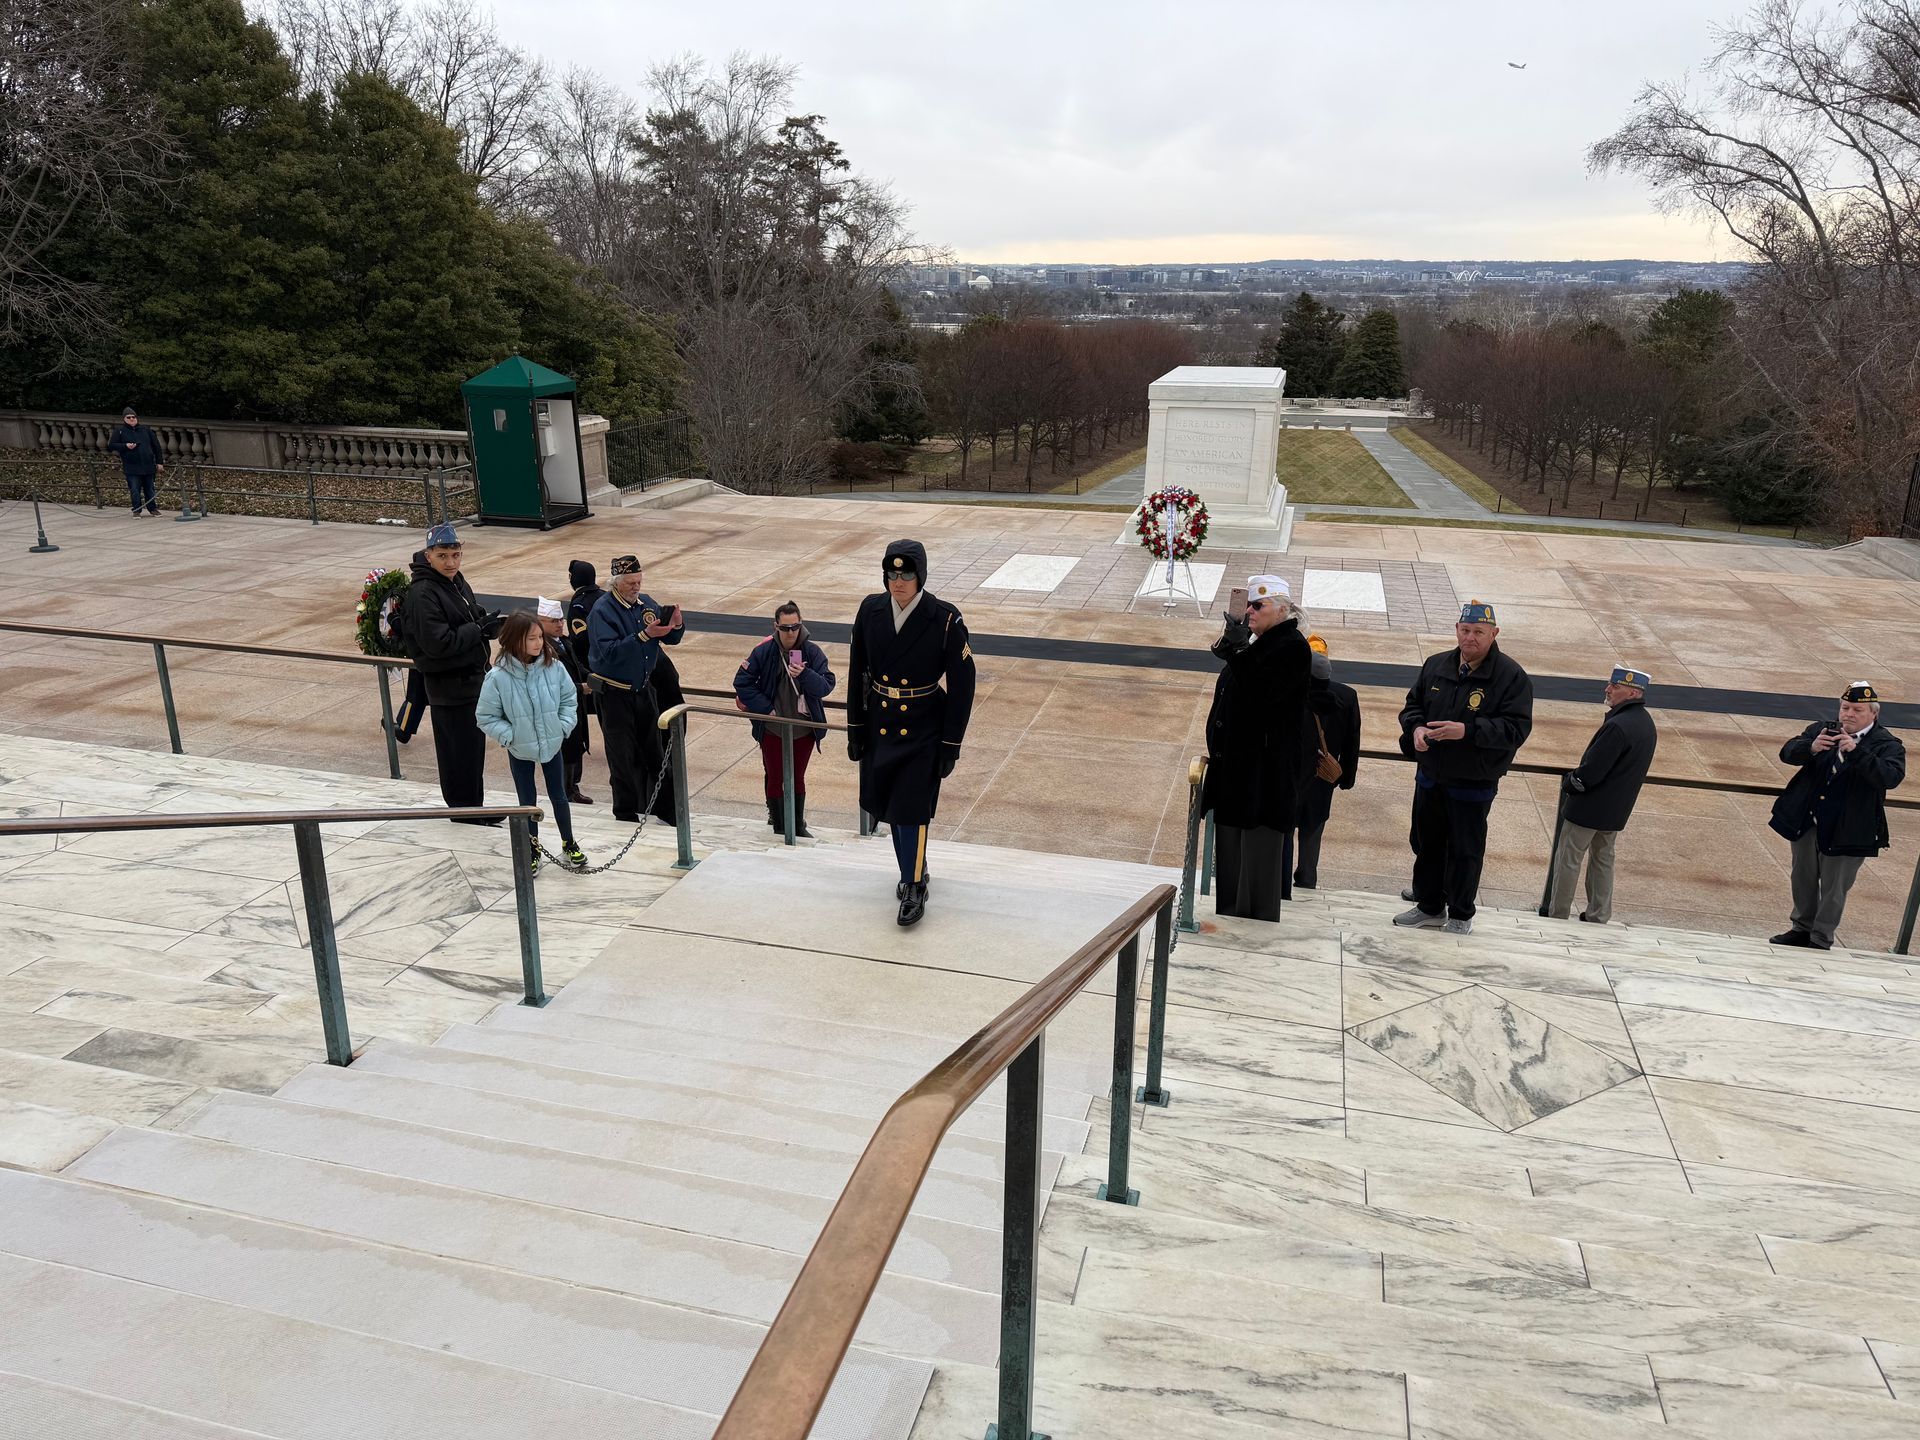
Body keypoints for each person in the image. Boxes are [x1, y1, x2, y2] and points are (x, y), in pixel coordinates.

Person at [847, 539, 976, 926]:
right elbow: (858, 671)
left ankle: (914, 884)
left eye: (906, 575)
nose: (898, 582)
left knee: (912, 807)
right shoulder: (870, 610)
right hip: (881, 723)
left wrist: (951, 744)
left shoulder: (945, 619)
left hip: (923, 727)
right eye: (892, 574)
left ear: (921, 577)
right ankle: (913, 869)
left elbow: (963, 685)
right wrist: (855, 728)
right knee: (891, 805)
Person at [1394, 599, 1533, 935]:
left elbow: (1516, 729)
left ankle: (1460, 913)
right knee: (1428, 845)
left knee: (1465, 851)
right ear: (1457, 630)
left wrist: (1467, 731)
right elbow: (1412, 706)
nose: (1471, 638)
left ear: (1494, 634)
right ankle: (1429, 907)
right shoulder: (1436, 665)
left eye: (1479, 632)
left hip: (1473, 782)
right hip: (1431, 776)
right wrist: (1416, 728)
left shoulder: (1511, 676)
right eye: (1466, 630)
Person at [1199, 576, 1314, 921]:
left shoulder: (1292, 647)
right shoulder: (1259, 642)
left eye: (1258, 605)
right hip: (1237, 774)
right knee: (1231, 862)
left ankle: (1253, 927)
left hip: (1262, 780)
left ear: (1281, 610)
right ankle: (1231, 916)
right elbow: (1232, 668)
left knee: (1256, 868)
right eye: (1248, 604)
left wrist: (1240, 651)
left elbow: (1263, 694)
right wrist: (1232, 641)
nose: (1250, 611)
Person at [1768, 682, 1906, 950]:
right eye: (1845, 708)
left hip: (1849, 828)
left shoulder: (1887, 744)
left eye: (1857, 710)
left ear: (1874, 713)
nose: (1848, 714)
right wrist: (1811, 747)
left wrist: (1856, 752)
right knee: (1803, 877)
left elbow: (1890, 777)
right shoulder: (1822, 729)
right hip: (1808, 822)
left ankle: (1821, 937)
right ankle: (1801, 929)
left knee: (1835, 886)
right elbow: (1787, 752)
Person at [400, 523, 502, 822]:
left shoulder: (455, 581)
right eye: (443, 556)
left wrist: (485, 624)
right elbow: (438, 643)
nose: (450, 562)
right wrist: (477, 630)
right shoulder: (423, 593)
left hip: (471, 682)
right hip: (450, 688)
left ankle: (474, 808)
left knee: (472, 752)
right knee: (457, 754)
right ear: (428, 555)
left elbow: (469, 614)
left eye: (455, 555)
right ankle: (464, 811)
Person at [1546, 665, 1659, 924]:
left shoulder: (1618, 725)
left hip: (1588, 808)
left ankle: (1557, 914)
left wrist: (1571, 783)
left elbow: (1592, 771)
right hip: (1616, 809)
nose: (1607, 689)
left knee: (1568, 860)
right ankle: (1599, 914)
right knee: (1603, 860)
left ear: (1633, 693)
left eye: (1615, 686)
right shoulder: (1646, 723)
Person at [477, 612, 587, 875]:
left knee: (559, 796)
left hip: (552, 743)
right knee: (526, 800)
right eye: (532, 638)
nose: (539, 643)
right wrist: (510, 736)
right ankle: (532, 847)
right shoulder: (498, 677)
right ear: (516, 640)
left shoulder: (553, 667)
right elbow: (486, 716)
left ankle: (569, 841)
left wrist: (562, 726)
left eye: (540, 637)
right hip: (520, 749)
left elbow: (568, 699)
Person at [587, 554, 683, 824]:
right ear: (616, 583)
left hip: (643, 690)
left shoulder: (646, 604)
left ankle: (667, 809)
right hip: (614, 694)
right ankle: (625, 812)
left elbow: (669, 637)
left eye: (639, 581)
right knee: (622, 757)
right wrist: (643, 635)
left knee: (656, 753)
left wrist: (676, 625)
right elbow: (608, 653)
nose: (636, 587)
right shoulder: (602, 611)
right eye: (630, 583)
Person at [734, 601, 837, 837]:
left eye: (795, 627)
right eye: (785, 628)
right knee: (775, 775)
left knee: (797, 776)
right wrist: (766, 708)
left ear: (801, 625)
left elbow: (826, 686)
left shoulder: (812, 652)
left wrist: (805, 674)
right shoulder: (764, 651)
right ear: (776, 626)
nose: (791, 633)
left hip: (804, 728)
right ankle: (780, 825)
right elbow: (742, 682)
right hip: (773, 728)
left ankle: (797, 825)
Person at [1293, 634, 1360, 893]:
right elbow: (1352, 741)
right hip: (1323, 776)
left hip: (1293, 773)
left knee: (1285, 829)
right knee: (1313, 829)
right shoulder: (1347, 695)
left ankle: (1279, 881)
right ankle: (1306, 879)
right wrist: (1347, 778)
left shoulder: (1293, 692)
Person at [538, 595, 593, 804]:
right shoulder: (542, 648)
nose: (560, 624)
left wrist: (593, 678)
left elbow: (578, 667)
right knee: (565, 749)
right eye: (554, 621)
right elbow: (549, 683)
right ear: (541, 622)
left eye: (561, 619)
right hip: (558, 708)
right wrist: (580, 687)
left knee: (576, 745)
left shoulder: (564, 642)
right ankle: (564, 790)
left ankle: (572, 787)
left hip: (574, 705)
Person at [564, 559, 602, 803]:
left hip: (588, 668)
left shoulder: (579, 604)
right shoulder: (604, 596)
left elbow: (580, 639)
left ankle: (570, 785)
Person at [108, 406, 165, 517]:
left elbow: (156, 447)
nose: (131, 419)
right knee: (134, 489)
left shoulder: (146, 430)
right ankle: (137, 510)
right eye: (128, 417)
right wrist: (125, 446)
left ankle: (153, 508)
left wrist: (159, 462)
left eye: (133, 417)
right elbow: (111, 445)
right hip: (131, 466)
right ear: (124, 419)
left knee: (150, 489)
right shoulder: (119, 431)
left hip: (148, 465)